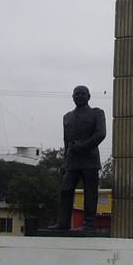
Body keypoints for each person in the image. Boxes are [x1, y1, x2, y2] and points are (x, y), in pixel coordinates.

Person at [50, 85, 106, 232]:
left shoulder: (96, 113)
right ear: (73, 97)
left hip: (90, 160)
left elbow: (100, 134)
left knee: (90, 193)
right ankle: (62, 223)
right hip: (73, 162)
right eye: (77, 94)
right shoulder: (67, 117)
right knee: (65, 190)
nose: (79, 96)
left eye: (83, 94)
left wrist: (82, 146)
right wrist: (64, 162)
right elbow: (66, 142)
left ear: (89, 96)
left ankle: (89, 224)